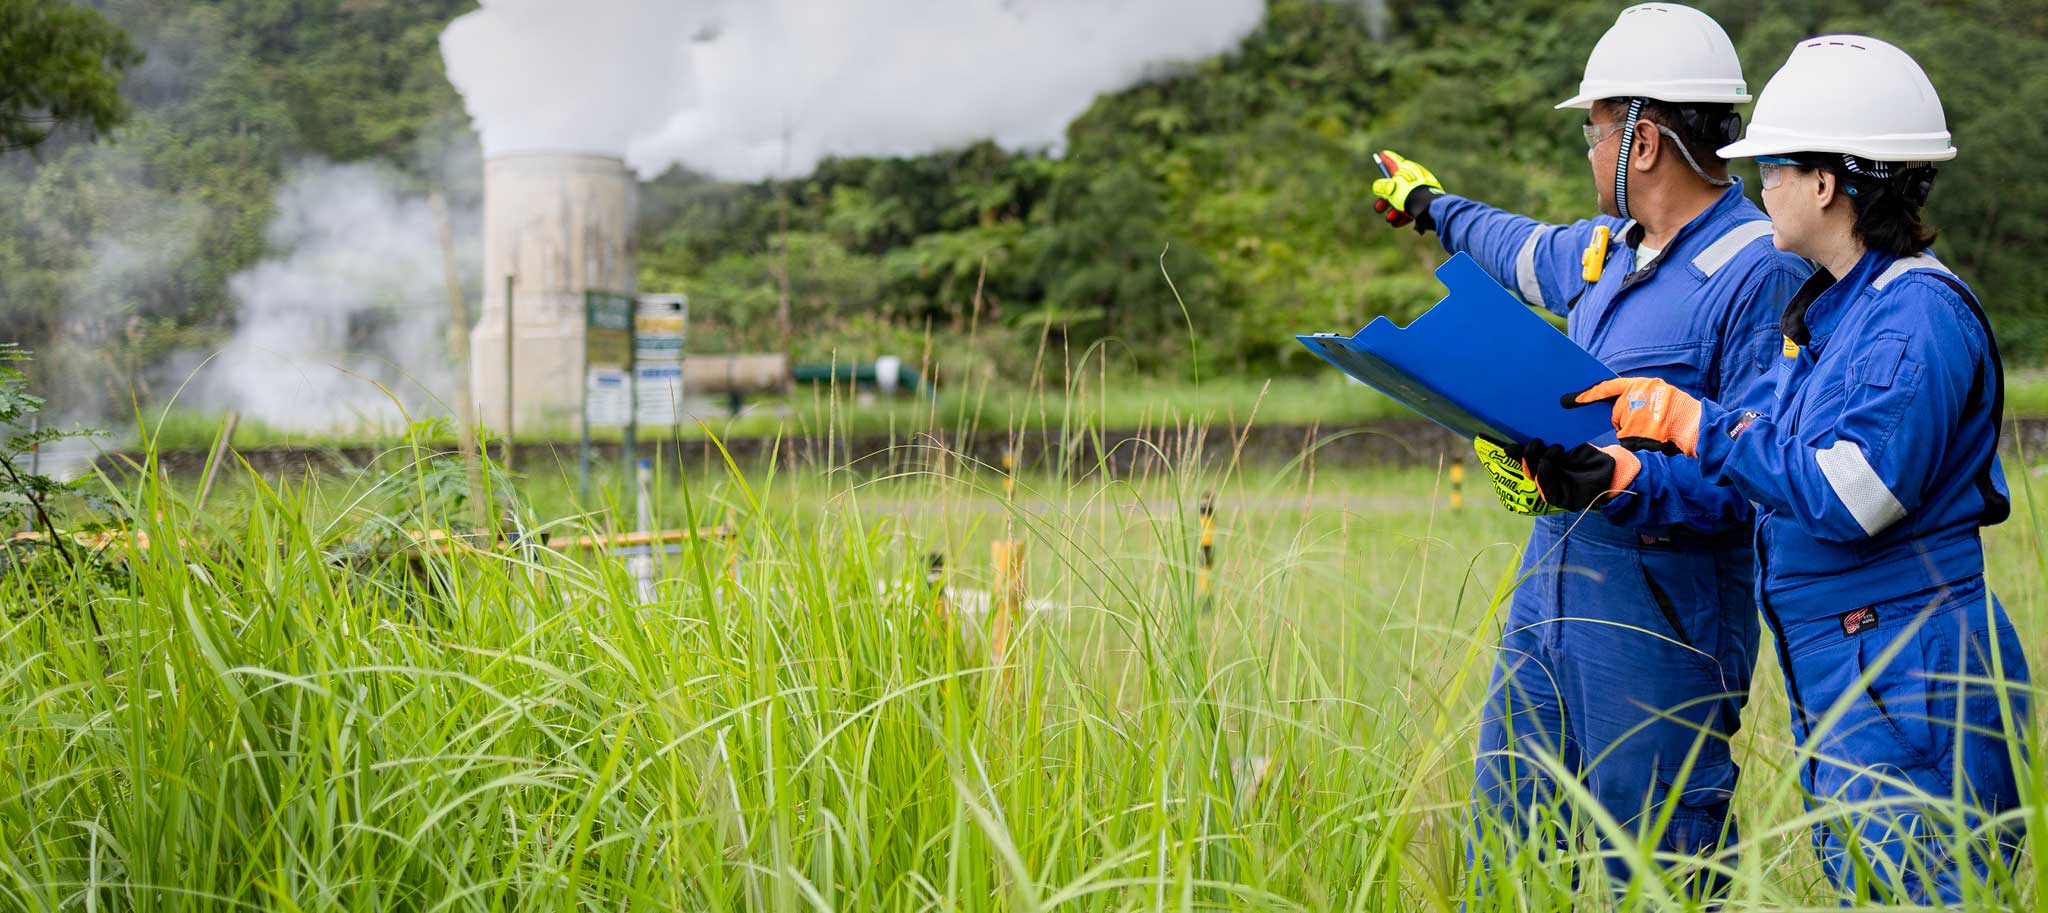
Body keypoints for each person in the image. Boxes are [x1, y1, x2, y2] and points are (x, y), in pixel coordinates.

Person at [1529, 34, 2033, 905]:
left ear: (1827, 183)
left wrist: (1693, 420)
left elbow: (1851, 492)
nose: (1759, 191)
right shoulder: (1830, 316)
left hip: (1911, 667)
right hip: (1849, 667)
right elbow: (1759, 469)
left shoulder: (1917, 316)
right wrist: (1627, 480)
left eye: (1771, 171)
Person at [1367, 2, 1810, 896]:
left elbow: (1765, 473)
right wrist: (1430, 206)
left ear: (1642, 141)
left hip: (1665, 608)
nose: (1593, 150)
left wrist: (1621, 478)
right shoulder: (1609, 253)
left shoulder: (1760, 267)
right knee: (1517, 840)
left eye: (1597, 131)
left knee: (1650, 856)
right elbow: (1516, 246)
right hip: (1554, 585)